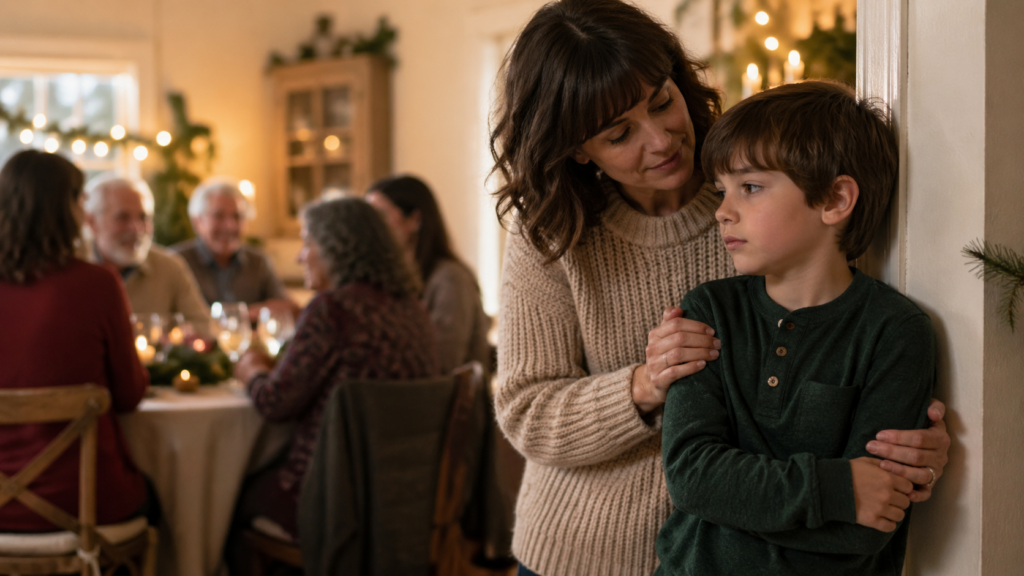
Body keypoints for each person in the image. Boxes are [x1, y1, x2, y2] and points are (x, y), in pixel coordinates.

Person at [488, 1, 951, 574]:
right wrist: (645, 385)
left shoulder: (775, 196)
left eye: (662, 101)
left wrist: (907, 453)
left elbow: (849, 347)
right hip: (583, 550)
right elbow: (527, 410)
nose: (660, 141)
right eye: (619, 133)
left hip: (756, 553)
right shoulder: (552, 235)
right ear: (578, 149)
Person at [657, 81, 931, 575]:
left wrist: (734, 504)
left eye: (751, 187)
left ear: (834, 199)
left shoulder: (896, 331)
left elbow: (866, 525)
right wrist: (835, 490)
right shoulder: (709, 311)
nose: (722, 210)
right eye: (723, 190)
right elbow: (691, 478)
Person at [225, 198, 439, 572]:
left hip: (332, 495)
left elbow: (275, 403)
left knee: (225, 498)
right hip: (405, 497)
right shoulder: (413, 309)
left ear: (339, 249)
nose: (300, 257)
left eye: (308, 244)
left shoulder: (331, 310)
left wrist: (252, 371)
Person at [0, 150, 158, 531]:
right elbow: (129, 396)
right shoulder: (98, 284)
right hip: (85, 504)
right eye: (79, 199)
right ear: (67, 209)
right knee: (162, 498)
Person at [366, 175, 492, 374]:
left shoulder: (450, 278)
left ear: (414, 220)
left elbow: (442, 362)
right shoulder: (393, 279)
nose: (371, 228)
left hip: (442, 401)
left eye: (380, 216)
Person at [84, 175, 211, 332]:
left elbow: (205, 327)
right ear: (91, 222)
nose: (136, 229)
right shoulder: (70, 270)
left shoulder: (169, 267)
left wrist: (176, 336)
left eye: (144, 218)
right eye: (122, 218)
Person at [173, 177, 298, 321]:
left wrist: (239, 315)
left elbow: (289, 308)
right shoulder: (176, 262)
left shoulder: (257, 262)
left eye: (237, 217)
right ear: (198, 221)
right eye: (218, 216)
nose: (229, 226)